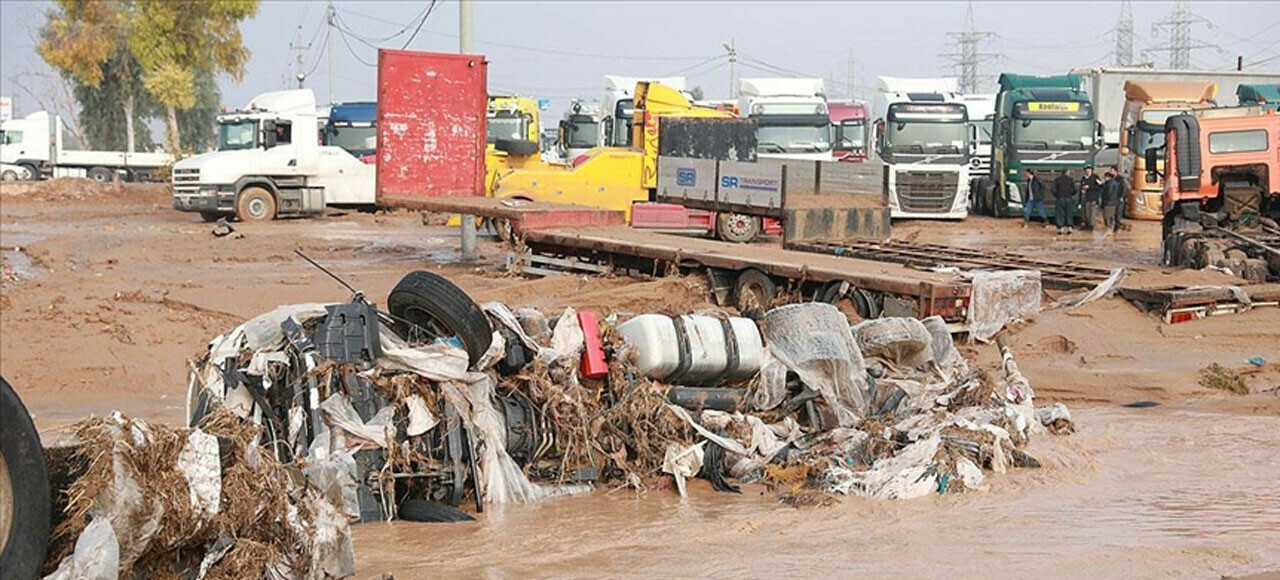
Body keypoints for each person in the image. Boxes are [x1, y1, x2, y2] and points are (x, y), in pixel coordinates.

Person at [1052, 170, 1077, 234]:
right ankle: (1070, 227)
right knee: (1069, 213)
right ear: (1067, 173)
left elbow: (1053, 190)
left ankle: (1061, 228)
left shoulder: (1057, 180)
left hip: (1060, 198)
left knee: (1060, 213)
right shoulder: (1071, 179)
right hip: (1069, 198)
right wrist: (1071, 194)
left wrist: (1057, 195)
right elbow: (1075, 189)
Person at [1079, 166, 1102, 231]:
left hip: (1092, 197)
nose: (1088, 172)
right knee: (1085, 212)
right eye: (1086, 171)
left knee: (1091, 212)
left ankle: (1091, 225)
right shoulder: (1083, 178)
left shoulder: (1095, 177)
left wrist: (1089, 187)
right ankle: (1086, 224)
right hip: (1085, 197)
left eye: (1089, 171)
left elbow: (1099, 187)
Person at [1107, 165, 1128, 233]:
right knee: (1112, 214)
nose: (1111, 172)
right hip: (1113, 199)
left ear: (1115, 171)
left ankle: (1118, 227)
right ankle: (1113, 227)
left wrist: (1122, 196)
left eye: (1112, 170)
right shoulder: (1111, 178)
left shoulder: (1120, 179)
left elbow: (1124, 188)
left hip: (1119, 199)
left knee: (1118, 213)